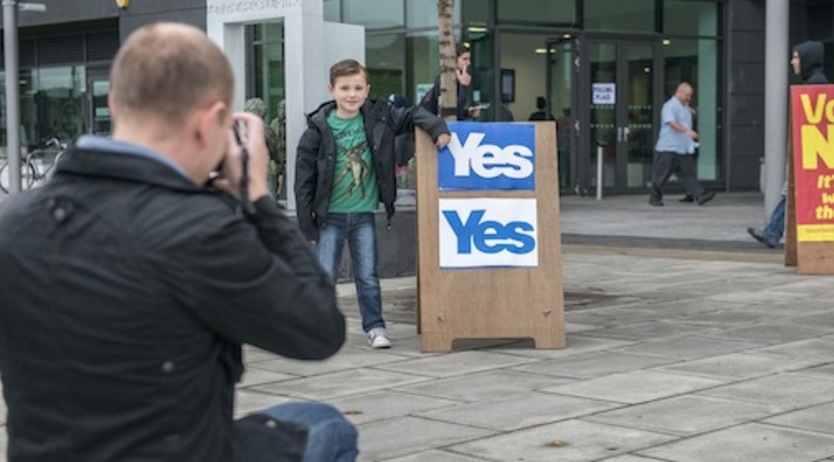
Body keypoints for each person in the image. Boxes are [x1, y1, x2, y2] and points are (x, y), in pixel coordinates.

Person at [0, 22, 356, 462]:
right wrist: (259, 196)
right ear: (210, 124)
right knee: (327, 426)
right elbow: (319, 330)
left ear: (115, 103)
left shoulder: (12, 220)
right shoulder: (199, 230)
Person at [296, 59, 451, 349]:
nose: (351, 94)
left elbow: (415, 113)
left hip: (364, 215)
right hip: (330, 217)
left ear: (367, 90)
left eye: (357, 88)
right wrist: (307, 224)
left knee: (367, 275)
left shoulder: (381, 116)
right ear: (332, 90)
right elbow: (303, 180)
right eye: (344, 88)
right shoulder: (316, 129)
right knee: (324, 276)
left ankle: (375, 326)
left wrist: (437, 129)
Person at [748, 40, 829, 248]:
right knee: (791, 192)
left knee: (793, 191)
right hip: (813, 150)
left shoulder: (816, 84)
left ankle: (773, 233)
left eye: (796, 57)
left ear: (807, 60)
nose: (792, 62)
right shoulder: (814, 81)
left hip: (814, 151)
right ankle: (772, 232)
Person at [648, 82, 716, 207]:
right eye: (687, 95)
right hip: (668, 147)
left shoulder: (685, 106)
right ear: (678, 92)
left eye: (690, 96)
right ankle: (654, 198)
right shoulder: (670, 106)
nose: (689, 98)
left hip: (683, 148)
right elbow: (671, 123)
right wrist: (687, 131)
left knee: (688, 173)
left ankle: (699, 195)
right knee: (661, 174)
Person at [419, 43, 484, 120]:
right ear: (455, 61)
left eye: (469, 59)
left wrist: (467, 113)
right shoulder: (445, 80)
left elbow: (456, 110)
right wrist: (464, 86)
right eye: (464, 59)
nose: (468, 63)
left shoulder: (458, 79)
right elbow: (449, 111)